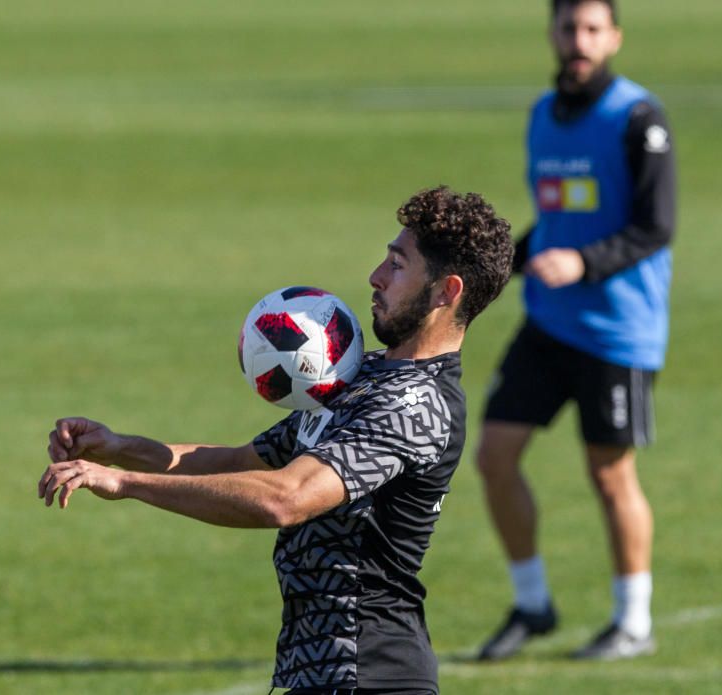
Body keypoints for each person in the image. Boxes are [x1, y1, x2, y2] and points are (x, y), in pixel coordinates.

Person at [39, 186, 514, 694]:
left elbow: (284, 498)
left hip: (370, 673)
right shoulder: (367, 375)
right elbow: (245, 461)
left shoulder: (415, 407)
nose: (375, 276)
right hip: (327, 674)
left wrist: (126, 483)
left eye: (397, 265)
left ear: (447, 292)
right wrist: (120, 447)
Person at [474, 0, 676, 662]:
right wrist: (495, 272)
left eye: (593, 29)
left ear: (614, 36)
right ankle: (532, 604)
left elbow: (656, 225)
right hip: (548, 321)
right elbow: (554, 219)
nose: (579, 40)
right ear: (553, 34)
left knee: (610, 474)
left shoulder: (637, 119)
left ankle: (634, 620)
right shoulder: (542, 115)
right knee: (493, 455)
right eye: (569, 27)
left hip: (617, 329)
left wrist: (583, 262)